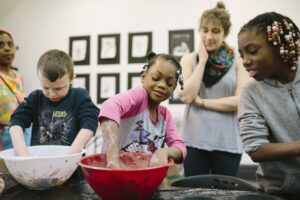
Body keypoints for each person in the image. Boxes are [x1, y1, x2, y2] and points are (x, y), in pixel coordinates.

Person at [177, 1, 249, 177]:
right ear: (199, 30)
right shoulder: (188, 60)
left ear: (225, 33)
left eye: (215, 31)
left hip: (227, 140)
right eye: (205, 30)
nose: (209, 36)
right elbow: (186, 95)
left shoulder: (239, 61)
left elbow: (240, 101)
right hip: (194, 139)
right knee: (194, 193)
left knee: (226, 194)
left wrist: (202, 102)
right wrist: (202, 61)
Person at [238, 12, 300, 196]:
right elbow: (256, 148)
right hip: (281, 191)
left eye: (253, 51)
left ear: (280, 45)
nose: (245, 61)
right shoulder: (251, 92)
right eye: (242, 55)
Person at [99, 52, 186, 168]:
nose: (162, 85)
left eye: (169, 83)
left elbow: (180, 147)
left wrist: (164, 151)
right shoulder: (139, 96)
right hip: (116, 174)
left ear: (174, 87)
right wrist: (113, 159)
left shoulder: (165, 115)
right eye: (156, 78)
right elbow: (109, 107)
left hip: (144, 179)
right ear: (143, 77)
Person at [9, 49, 99, 156]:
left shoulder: (79, 97)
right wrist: (24, 155)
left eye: (58, 88)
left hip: (71, 166)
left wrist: (68, 157)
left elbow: (90, 123)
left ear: (71, 79)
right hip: (40, 165)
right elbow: (16, 122)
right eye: (46, 87)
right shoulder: (35, 98)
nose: (52, 94)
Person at [0, 30, 31, 151]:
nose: (7, 49)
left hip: (19, 137)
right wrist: (10, 122)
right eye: (0, 45)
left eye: (10, 44)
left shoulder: (18, 77)